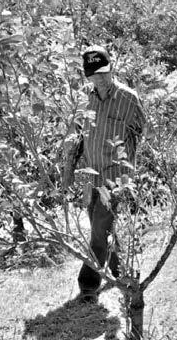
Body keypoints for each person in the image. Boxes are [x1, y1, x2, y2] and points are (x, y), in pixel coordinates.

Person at [62, 44, 146, 302]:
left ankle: (88, 284)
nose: (99, 78)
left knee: (99, 228)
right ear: (87, 75)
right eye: (93, 74)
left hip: (116, 176)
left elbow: (143, 133)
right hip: (90, 175)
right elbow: (76, 136)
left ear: (111, 69)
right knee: (101, 227)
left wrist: (131, 170)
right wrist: (68, 172)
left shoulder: (128, 98)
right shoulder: (83, 99)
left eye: (103, 72)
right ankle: (123, 274)